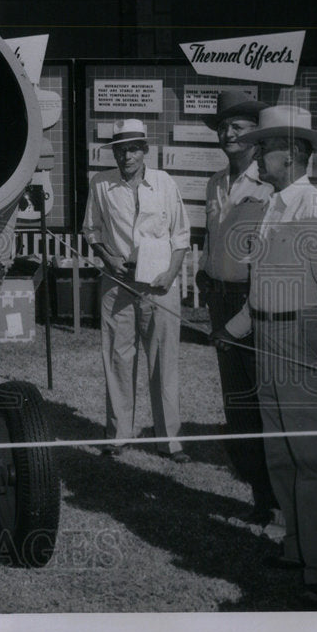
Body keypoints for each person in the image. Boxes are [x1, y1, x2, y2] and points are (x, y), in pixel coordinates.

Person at [211, 105, 317, 610]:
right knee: (281, 453)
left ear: (293, 153)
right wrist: (235, 329)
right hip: (265, 338)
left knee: (315, 458)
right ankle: (296, 547)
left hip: (304, 339)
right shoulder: (271, 205)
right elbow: (262, 285)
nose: (258, 155)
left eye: (265, 147)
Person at [83, 119, 191, 462]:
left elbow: (181, 236)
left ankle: (170, 441)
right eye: (119, 149)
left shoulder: (164, 183)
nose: (126, 156)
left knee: (163, 363)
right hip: (117, 284)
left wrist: (171, 274)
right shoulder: (101, 184)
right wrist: (107, 257)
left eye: (132, 148)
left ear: (145, 150)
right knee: (117, 358)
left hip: (160, 286)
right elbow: (91, 231)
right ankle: (117, 436)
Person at [196, 91, 280, 528]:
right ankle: (259, 495)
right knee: (237, 405)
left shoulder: (269, 187)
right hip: (219, 299)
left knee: (263, 399)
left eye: (239, 128)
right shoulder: (214, 183)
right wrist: (204, 276)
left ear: (255, 136)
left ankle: (278, 500)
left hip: (256, 302)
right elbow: (212, 238)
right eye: (224, 127)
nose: (229, 134)